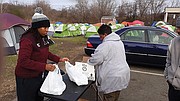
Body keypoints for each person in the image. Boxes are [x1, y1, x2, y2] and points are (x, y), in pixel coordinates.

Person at [15, 7, 69, 101]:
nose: (47, 30)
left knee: (39, 97)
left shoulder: (43, 37)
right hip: (26, 78)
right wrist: (44, 66)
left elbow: (45, 52)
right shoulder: (27, 39)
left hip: (38, 75)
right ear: (37, 27)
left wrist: (59, 59)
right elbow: (23, 61)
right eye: (44, 27)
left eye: (48, 27)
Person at [87, 24, 130, 101]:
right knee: (115, 95)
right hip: (122, 74)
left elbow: (96, 59)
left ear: (105, 34)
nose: (100, 38)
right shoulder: (119, 42)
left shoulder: (106, 45)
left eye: (101, 36)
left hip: (112, 77)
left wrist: (88, 62)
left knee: (109, 97)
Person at [164, 17, 180, 101]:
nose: (178, 30)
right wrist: (167, 76)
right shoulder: (173, 42)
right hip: (173, 87)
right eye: (177, 27)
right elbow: (168, 61)